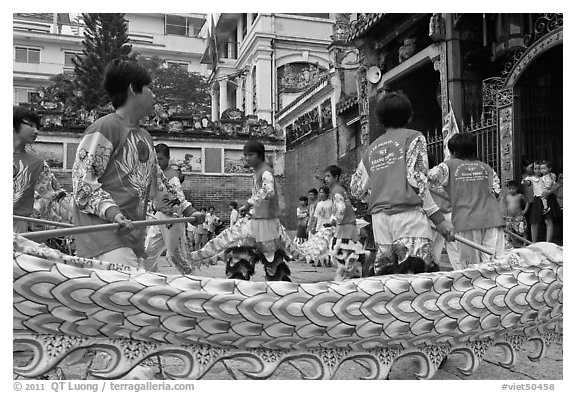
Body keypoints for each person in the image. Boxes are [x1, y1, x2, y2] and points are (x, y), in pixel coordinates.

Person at [71, 59, 202, 268]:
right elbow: (83, 184)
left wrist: (187, 210)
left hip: (131, 235)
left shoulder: (145, 137)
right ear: (133, 89)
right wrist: (113, 213)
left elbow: (158, 183)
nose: (154, 95)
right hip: (105, 236)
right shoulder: (105, 128)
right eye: (149, 88)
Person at [350, 92, 454, 275]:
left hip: (380, 220)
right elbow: (418, 181)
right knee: (417, 275)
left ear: (380, 120)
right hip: (408, 217)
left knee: (387, 279)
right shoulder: (413, 138)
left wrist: (375, 196)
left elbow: (356, 189)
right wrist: (439, 220)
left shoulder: (371, 149)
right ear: (409, 115)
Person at [428, 132, 505, 267]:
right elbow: (496, 191)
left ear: (454, 151)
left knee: (470, 268)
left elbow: (427, 180)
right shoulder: (486, 168)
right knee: (494, 264)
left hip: (466, 220)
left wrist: (449, 195)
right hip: (492, 218)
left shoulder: (447, 166)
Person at [234, 140, 291, 281]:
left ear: (260, 155)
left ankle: (279, 285)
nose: (247, 158)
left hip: (266, 221)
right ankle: (239, 280)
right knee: (243, 252)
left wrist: (248, 204)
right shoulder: (257, 172)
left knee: (271, 256)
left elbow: (268, 191)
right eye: (245, 155)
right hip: (257, 219)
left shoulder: (265, 172)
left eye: (251, 154)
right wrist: (251, 210)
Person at [13, 107, 69, 233]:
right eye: (31, 125)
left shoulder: (37, 164)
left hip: (18, 225)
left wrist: (80, 217)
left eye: (37, 127)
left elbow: (56, 193)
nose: (36, 131)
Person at [142, 143, 194, 272]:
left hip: (172, 219)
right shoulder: (154, 174)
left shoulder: (172, 176)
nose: (157, 162)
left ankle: (191, 279)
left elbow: (179, 198)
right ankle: (150, 278)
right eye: (155, 159)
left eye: (161, 159)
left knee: (177, 255)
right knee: (148, 250)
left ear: (168, 159)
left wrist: (190, 211)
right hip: (157, 216)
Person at [324, 165, 360, 280]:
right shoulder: (339, 190)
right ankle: (349, 276)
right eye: (325, 176)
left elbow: (341, 208)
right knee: (347, 253)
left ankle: (345, 278)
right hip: (348, 225)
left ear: (336, 177)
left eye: (328, 176)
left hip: (345, 226)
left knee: (341, 254)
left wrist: (333, 221)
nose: (326, 179)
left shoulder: (336, 191)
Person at [522, 161, 559, 242]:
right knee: (534, 222)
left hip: (548, 198)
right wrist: (525, 182)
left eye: (539, 169)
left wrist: (549, 192)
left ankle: (548, 242)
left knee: (548, 221)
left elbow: (557, 185)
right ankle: (533, 243)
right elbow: (527, 183)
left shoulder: (549, 177)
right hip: (537, 200)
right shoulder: (532, 178)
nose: (538, 171)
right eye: (535, 169)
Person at [502, 180, 528, 248]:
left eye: (513, 188)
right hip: (510, 216)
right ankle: (506, 243)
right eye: (509, 189)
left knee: (522, 230)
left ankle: (524, 244)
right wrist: (505, 215)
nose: (511, 190)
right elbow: (505, 205)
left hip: (519, 216)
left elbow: (527, 202)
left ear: (517, 188)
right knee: (508, 230)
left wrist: (525, 210)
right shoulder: (507, 197)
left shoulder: (519, 196)